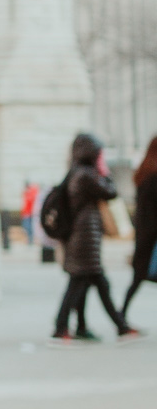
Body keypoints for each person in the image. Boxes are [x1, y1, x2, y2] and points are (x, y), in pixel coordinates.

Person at [52, 133, 132, 339]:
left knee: (88, 282)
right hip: (85, 237)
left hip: (84, 236)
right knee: (82, 283)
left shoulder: (76, 172)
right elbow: (111, 192)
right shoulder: (86, 175)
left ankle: (88, 326)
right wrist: (104, 172)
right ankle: (62, 327)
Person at [122, 136, 157, 326]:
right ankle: (121, 316)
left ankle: (121, 314)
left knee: (137, 279)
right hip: (152, 236)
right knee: (138, 279)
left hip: (143, 235)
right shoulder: (154, 177)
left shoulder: (143, 174)